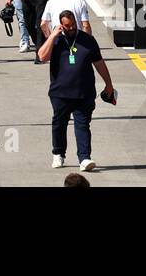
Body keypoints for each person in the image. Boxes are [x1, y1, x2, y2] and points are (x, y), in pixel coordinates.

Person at [39, 9, 116, 172]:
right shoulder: (56, 41)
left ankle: (85, 157)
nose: (72, 28)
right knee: (59, 124)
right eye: (67, 25)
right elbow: (42, 57)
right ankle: (58, 153)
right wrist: (53, 35)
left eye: (73, 24)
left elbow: (99, 63)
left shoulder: (88, 40)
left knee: (83, 125)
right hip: (60, 93)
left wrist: (108, 84)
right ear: (61, 25)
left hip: (84, 92)